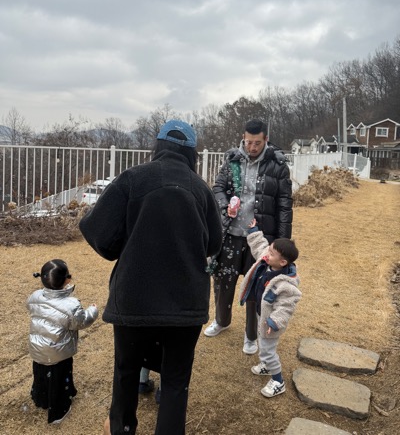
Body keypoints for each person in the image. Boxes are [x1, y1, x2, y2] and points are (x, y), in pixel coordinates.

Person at [79, 119, 222, 435]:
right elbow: (214, 244)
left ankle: (122, 428)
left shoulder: (132, 179)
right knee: (176, 382)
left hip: (134, 299)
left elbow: (97, 231)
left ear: (157, 146)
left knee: (126, 372)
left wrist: (125, 245)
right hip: (185, 304)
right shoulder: (201, 189)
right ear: (192, 154)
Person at [204, 119, 293, 356]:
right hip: (230, 233)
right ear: (243, 138)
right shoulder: (232, 160)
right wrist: (225, 205)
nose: (252, 147)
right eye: (248, 142)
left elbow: (284, 205)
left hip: (260, 238)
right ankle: (221, 320)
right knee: (223, 281)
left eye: (257, 143)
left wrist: (282, 244)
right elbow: (217, 188)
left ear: (266, 140)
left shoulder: (277, 165)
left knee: (256, 287)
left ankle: (251, 334)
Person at [27, 259, 98, 424]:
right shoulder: (71, 305)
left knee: (41, 374)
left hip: (38, 348)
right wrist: (93, 310)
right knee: (60, 377)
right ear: (67, 280)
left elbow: (29, 307)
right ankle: (59, 409)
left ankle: (41, 398)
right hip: (59, 352)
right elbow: (82, 322)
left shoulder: (34, 296)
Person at [239, 220, 301, 397]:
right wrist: (254, 230)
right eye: (269, 250)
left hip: (272, 324)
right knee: (262, 344)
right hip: (263, 315)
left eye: (271, 253)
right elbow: (260, 245)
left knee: (267, 350)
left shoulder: (285, 284)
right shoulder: (267, 262)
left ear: (282, 262)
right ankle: (266, 367)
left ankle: (278, 381)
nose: (267, 253)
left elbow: (286, 307)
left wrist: (274, 322)